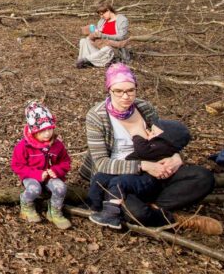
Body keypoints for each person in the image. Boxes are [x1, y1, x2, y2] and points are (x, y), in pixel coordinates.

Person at [80, 63, 220, 234]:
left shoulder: (145, 108)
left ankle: (154, 207)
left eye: (130, 90)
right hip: (118, 175)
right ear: (109, 90)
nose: (125, 96)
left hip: (154, 169)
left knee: (203, 177)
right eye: (119, 91)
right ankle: (178, 219)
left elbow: (164, 140)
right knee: (135, 212)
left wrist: (176, 158)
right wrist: (144, 166)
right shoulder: (96, 116)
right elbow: (101, 163)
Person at [88, 119, 191, 228]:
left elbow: (143, 150)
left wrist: (137, 134)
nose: (149, 133)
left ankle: (111, 214)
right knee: (100, 176)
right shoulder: (160, 145)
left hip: (145, 178)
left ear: (165, 139)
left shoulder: (162, 146)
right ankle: (93, 205)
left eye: (153, 132)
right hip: (129, 170)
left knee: (118, 183)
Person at [11, 101, 72, 229]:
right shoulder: (23, 146)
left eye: (50, 129)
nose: (47, 134)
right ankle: (26, 205)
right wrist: (36, 174)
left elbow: (65, 162)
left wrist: (56, 170)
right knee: (34, 189)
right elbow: (17, 166)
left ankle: (55, 211)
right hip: (31, 176)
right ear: (33, 131)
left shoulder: (57, 145)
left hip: (51, 176)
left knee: (61, 188)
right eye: (42, 131)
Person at [76, 2, 129, 68]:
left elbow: (121, 37)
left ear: (108, 10)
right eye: (100, 15)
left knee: (107, 48)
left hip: (114, 48)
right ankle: (86, 61)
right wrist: (93, 34)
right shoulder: (102, 21)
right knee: (84, 40)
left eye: (102, 14)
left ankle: (87, 60)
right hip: (100, 45)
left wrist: (103, 35)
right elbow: (98, 33)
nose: (101, 17)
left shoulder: (122, 20)